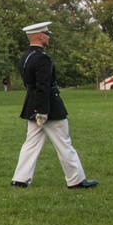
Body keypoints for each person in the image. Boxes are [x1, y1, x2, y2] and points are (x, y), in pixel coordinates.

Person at [11, 22, 98, 189]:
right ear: (40, 36)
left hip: (32, 102)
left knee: (31, 143)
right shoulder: (42, 58)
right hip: (47, 105)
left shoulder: (26, 56)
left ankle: (20, 178)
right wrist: (42, 111)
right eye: (46, 34)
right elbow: (43, 85)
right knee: (63, 142)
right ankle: (76, 179)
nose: (49, 37)